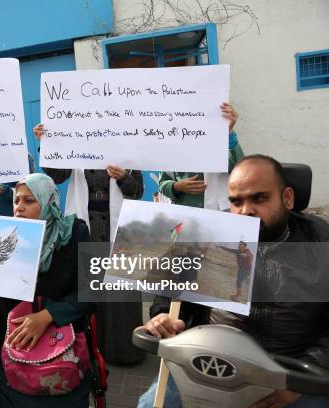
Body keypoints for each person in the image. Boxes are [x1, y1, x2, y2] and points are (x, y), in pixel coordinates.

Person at [138, 155, 329, 408]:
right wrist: (165, 316)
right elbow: (175, 292)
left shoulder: (321, 247)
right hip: (207, 361)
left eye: (259, 198)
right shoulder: (211, 234)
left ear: (288, 198)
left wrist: (299, 382)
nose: (245, 210)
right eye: (236, 201)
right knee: (150, 404)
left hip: (291, 373)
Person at [0, 173, 92, 408]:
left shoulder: (77, 232)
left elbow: (94, 291)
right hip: (9, 348)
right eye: (16, 201)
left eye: (29, 201)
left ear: (49, 202)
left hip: (63, 346)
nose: (19, 208)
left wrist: (46, 317)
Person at [33, 123, 145, 364]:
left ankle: (125, 352)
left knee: (120, 297)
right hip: (86, 229)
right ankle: (88, 349)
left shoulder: (127, 148)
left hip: (118, 229)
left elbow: (137, 191)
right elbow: (57, 176)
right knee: (88, 293)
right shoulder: (75, 141)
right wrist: (48, 144)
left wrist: (124, 177)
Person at [157, 102, 243, 209]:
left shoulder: (221, 137)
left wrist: (228, 132)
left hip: (219, 212)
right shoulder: (171, 145)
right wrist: (176, 186)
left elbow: (240, 170)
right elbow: (163, 183)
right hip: (186, 213)